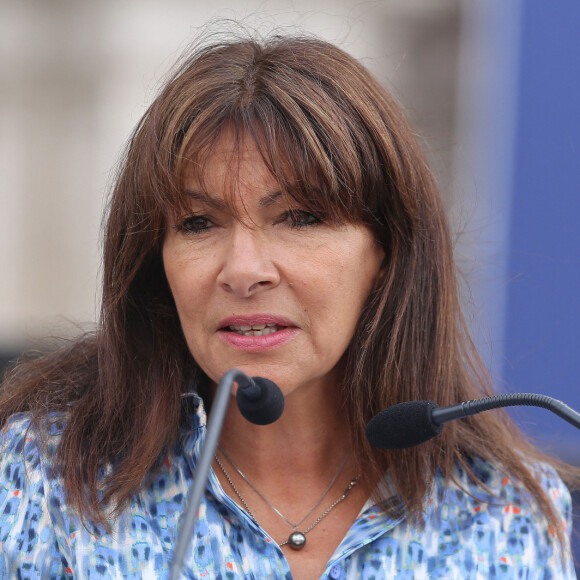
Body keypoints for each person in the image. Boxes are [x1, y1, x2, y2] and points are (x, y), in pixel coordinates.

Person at [0, 32, 576, 579]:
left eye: (300, 218)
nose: (245, 270)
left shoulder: (507, 513)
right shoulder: (40, 483)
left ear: (387, 254)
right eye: (199, 223)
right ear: (157, 263)